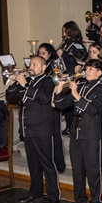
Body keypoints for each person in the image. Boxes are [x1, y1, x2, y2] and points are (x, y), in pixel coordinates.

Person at [54, 59, 102, 203]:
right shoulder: (82, 85)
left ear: (99, 72)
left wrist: (77, 95)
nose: (87, 70)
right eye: (87, 68)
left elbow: (94, 109)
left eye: (91, 68)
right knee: (77, 171)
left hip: (91, 134)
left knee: (93, 171)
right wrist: (60, 85)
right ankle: (80, 202)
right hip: (76, 133)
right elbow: (59, 104)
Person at [6, 56, 62, 203]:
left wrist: (26, 86)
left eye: (35, 65)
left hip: (42, 129)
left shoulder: (48, 81)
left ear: (43, 68)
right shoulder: (28, 81)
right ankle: (35, 193)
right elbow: (10, 98)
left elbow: (44, 98)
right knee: (33, 165)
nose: (31, 67)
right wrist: (13, 82)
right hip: (28, 130)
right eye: (30, 64)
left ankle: (54, 197)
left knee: (47, 164)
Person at [38, 43, 66, 174]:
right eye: (39, 53)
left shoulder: (55, 65)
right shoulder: (39, 67)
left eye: (43, 53)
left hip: (54, 103)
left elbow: (60, 79)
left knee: (55, 134)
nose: (40, 55)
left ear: (49, 54)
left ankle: (59, 164)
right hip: (42, 105)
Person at [58, 21, 88, 136]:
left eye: (64, 31)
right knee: (66, 104)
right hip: (67, 75)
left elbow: (81, 58)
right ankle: (69, 126)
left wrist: (64, 55)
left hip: (74, 76)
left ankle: (72, 127)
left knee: (71, 103)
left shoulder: (76, 44)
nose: (63, 34)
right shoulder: (67, 43)